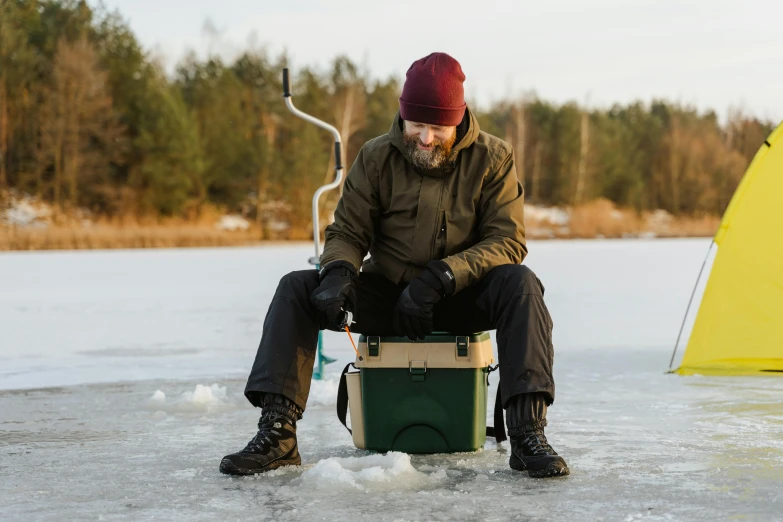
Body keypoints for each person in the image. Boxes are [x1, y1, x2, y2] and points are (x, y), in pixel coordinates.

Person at [219, 52, 569, 479]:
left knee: (521, 284)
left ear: (457, 121)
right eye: (415, 124)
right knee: (296, 287)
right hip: (389, 297)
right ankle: (277, 434)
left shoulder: (493, 158)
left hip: (459, 296)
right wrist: (338, 274)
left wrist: (442, 277)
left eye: (436, 127)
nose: (424, 138)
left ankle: (528, 433)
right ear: (402, 115)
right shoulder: (375, 156)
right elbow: (347, 231)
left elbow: (507, 240)